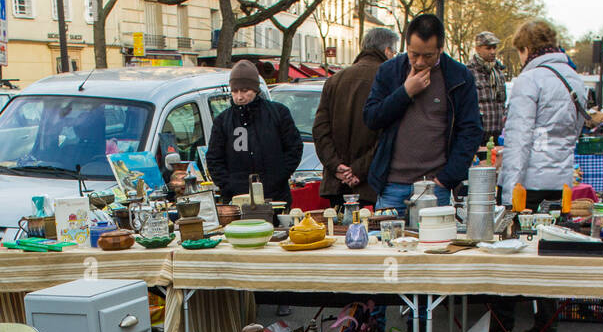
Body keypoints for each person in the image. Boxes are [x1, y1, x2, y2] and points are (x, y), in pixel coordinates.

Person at [491, 20, 588, 332]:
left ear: (525, 49)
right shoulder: (575, 79)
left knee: (509, 253)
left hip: (527, 183)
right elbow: (573, 134)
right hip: (560, 181)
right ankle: (548, 322)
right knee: (548, 252)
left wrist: (508, 188)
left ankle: (502, 325)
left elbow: (519, 140)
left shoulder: (529, 80)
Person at [362, 12, 484, 214]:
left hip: (435, 187)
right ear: (406, 46)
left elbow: (470, 131)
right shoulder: (389, 71)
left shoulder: (459, 76)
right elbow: (371, 118)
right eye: (413, 54)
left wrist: (447, 178)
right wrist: (405, 92)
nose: (419, 62)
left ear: (440, 48)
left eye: (428, 56)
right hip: (392, 184)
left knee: (435, 243)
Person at [312, 27, 398, 207]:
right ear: (387, 51)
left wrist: (336, 167)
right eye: (394, 52)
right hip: (372, 184)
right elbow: (388, 135)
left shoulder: (335, 79)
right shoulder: (388, 79)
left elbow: (320, 130)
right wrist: (358, 170)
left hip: (337, 184)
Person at [205, 60, 303, 204]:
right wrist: (230, 185)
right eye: (235, 91)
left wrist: (277, 178)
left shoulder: (278, 113)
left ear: (255, 90)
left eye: (245, 91)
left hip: (275, 197)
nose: (239, 97)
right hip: (237, 199)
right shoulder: (222, 121)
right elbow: (214, 159)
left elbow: (294, 148)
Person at [470, 31, 508, 144]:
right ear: (478, 48)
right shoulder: (469, 72)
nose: (493, 52)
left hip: (498, 134)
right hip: (478, 134)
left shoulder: (498, 72)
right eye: (488, 48)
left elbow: (502, 101)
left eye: (494, 48)